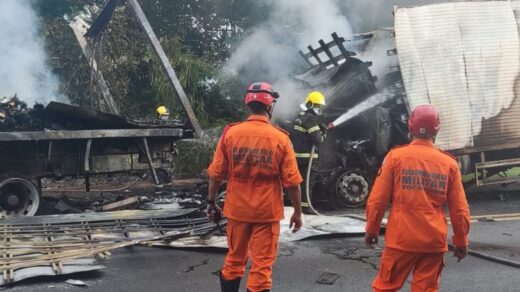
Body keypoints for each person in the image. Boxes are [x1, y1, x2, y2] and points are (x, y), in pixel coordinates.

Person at [207, 82, 304, 292]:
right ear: (270, 106)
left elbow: (216, 174)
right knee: (261, 267)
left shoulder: (230, 134)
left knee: (234, 260)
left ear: (248, 106)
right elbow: (292, 182)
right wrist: (298, 212)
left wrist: (211, 202)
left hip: (237, 211)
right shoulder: (280, 138)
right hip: (266, 213)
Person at [364, 104, 471, 292]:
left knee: (385, 288)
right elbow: (460, 209)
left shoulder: (396, 157)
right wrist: (461, 240)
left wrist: (372, 229)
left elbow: (378, 200)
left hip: (401, 239)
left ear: (410, 125)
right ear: (436, 129)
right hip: (433, 242)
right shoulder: (449, 164)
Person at [292, 91, 327, 209]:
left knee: (300, 183)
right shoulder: (311, 118)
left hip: (298, 157)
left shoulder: (300, 116)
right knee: (308, 184)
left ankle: (299, 207)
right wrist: (323, 134)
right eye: (317, 105)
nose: (319, 108)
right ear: (310, 104)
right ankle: (306, 208)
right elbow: (317, 139)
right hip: (308, 159)